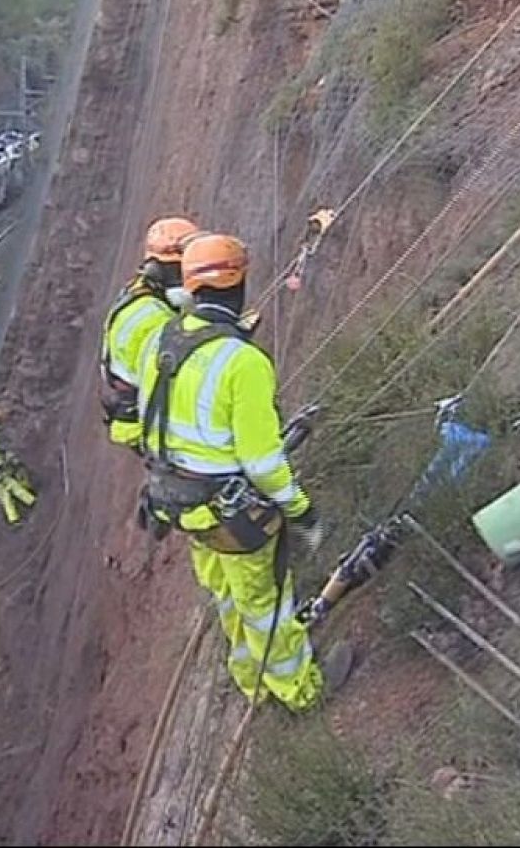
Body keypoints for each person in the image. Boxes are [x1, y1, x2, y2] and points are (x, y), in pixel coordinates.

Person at [135, 232, 345, 712]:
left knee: (227, 596)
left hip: (178, 503)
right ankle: (301, 691)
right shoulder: (242, 362)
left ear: (191, 287)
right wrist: (300, 510)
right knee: (264, 606)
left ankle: (251, 680)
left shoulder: (160, 341)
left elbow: (152, 422)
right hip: (231, 515)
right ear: (240, 284)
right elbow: (263, 463)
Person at [99, 216, 202, 451]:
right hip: (154, 422)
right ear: (158, 269)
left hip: (147, 407)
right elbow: (187, 367)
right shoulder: (148, 317)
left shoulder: (145, 294)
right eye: (182, 268)